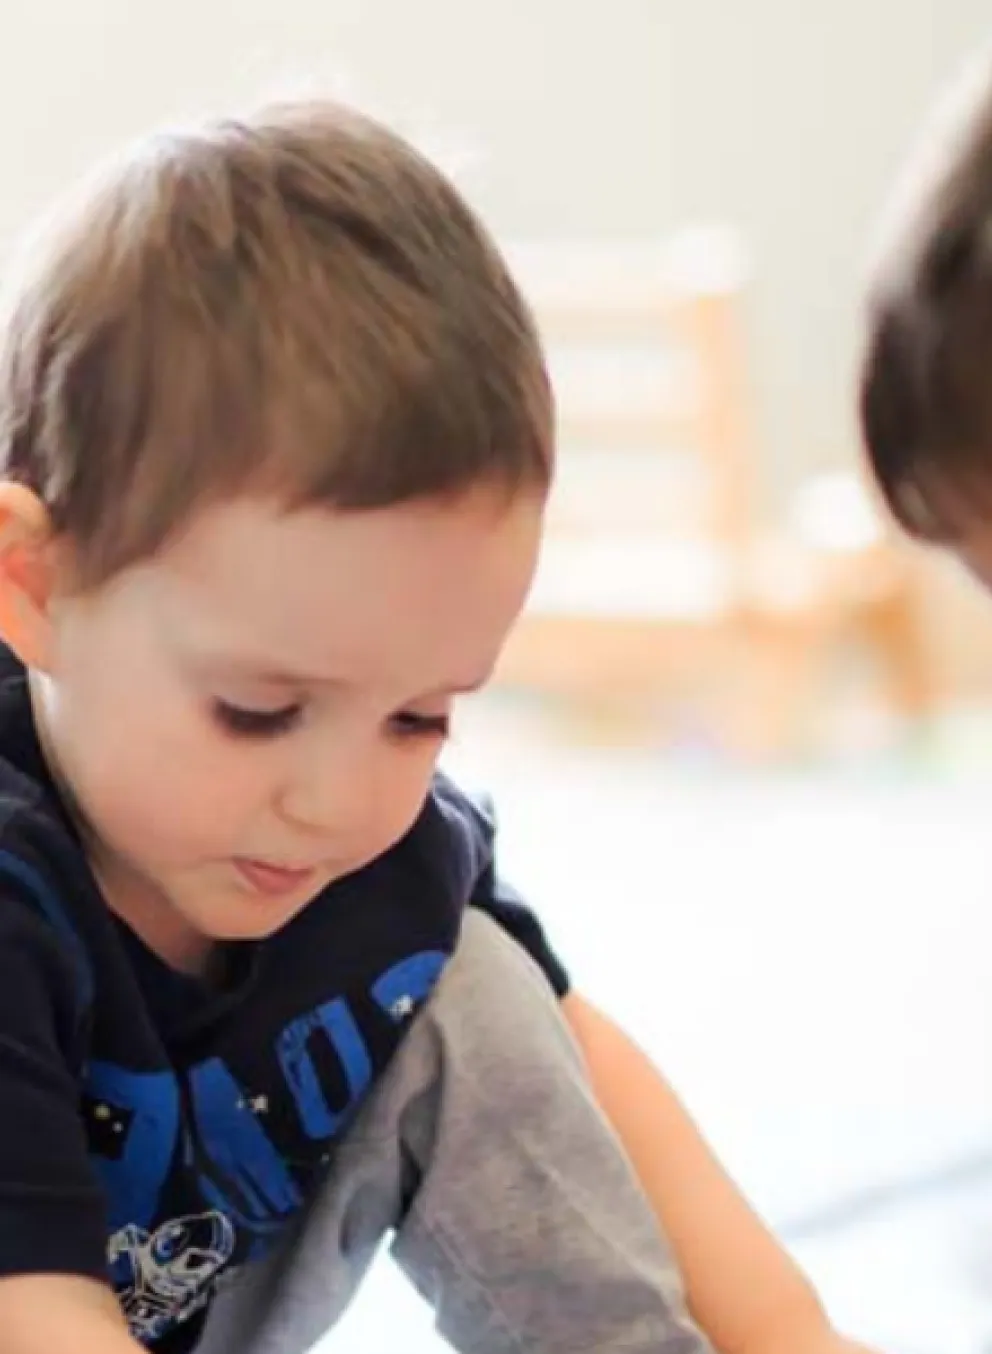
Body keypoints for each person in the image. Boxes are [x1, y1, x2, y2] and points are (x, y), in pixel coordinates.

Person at [0, 98, 869, 1354]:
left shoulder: (371, 857)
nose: (341, 800)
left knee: (473, 981)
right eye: (259, 711)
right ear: (34, 589)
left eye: (420, 716)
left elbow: (583, 1079)